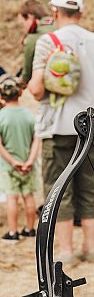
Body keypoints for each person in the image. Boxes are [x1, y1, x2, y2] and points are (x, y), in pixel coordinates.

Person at [28, 0, 94, 264]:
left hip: (57, 128)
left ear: (54, 12)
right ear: (81, 12)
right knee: (89, 187)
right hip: (91, 129)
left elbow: (38, 90)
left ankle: (66, 252)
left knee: (58, 188)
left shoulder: (47, 41)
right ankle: (90, 248)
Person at [0, 75, 40, 242]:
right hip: (28, 166)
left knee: (12, 198)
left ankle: (13, 232)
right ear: (20, 93)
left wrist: (12, 161)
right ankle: (30, 229)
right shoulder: (29, 115)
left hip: (9, 167)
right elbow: (36, 140)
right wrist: (29, 161)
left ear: (1, 96)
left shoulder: (1, 116)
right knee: (29, 197)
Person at [17, 0, 56, 84]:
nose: (24, 28)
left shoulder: (32, 38)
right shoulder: (58, 21)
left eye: (22, 23)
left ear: (30, 17)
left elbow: (27, 75)